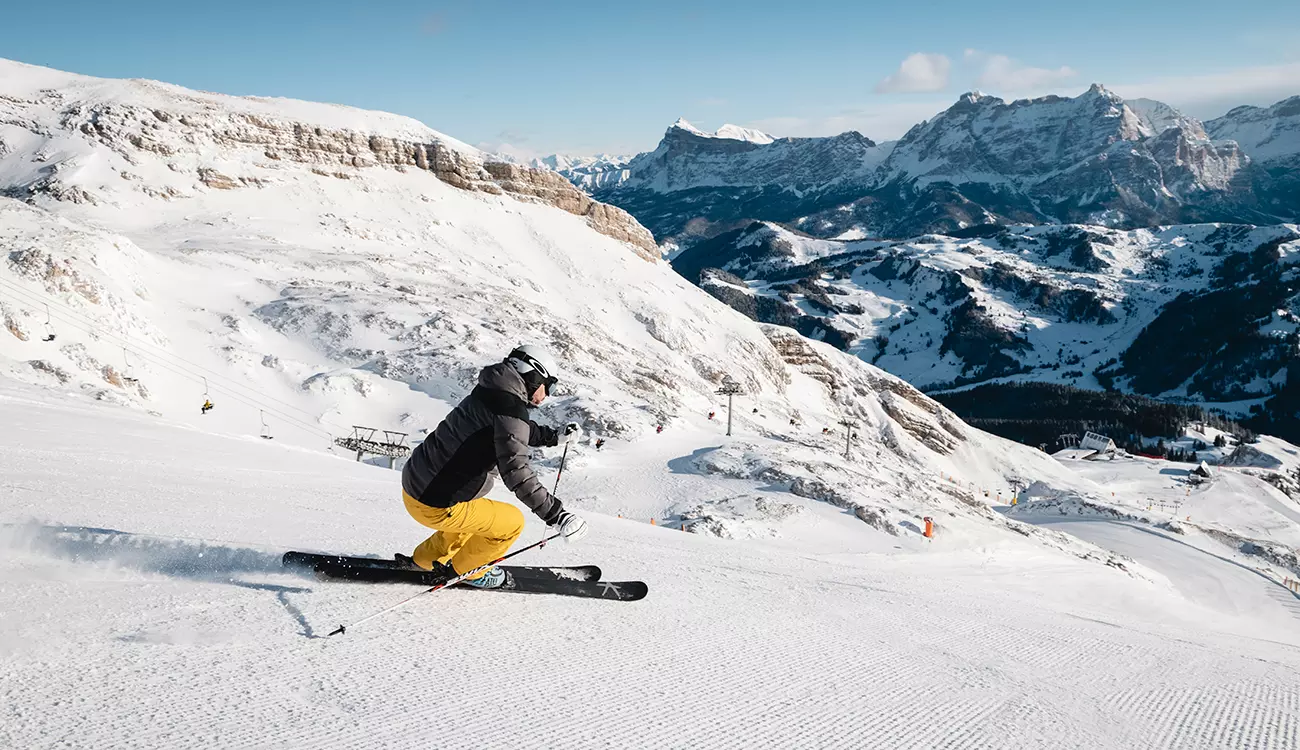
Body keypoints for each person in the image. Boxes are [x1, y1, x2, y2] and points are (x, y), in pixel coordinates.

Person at [397, 344, 588, 589]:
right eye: (548, 385)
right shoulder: (510, 408)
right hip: (434, 503)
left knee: (474, 515)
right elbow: (516, 469)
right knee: (512, 523)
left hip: (414, 484)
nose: (547, 394)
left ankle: (425, 560)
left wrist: (554, 437)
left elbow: (510, 430)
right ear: (534, 375)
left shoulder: (490, 389)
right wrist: (556, 515)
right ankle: (471, 572)